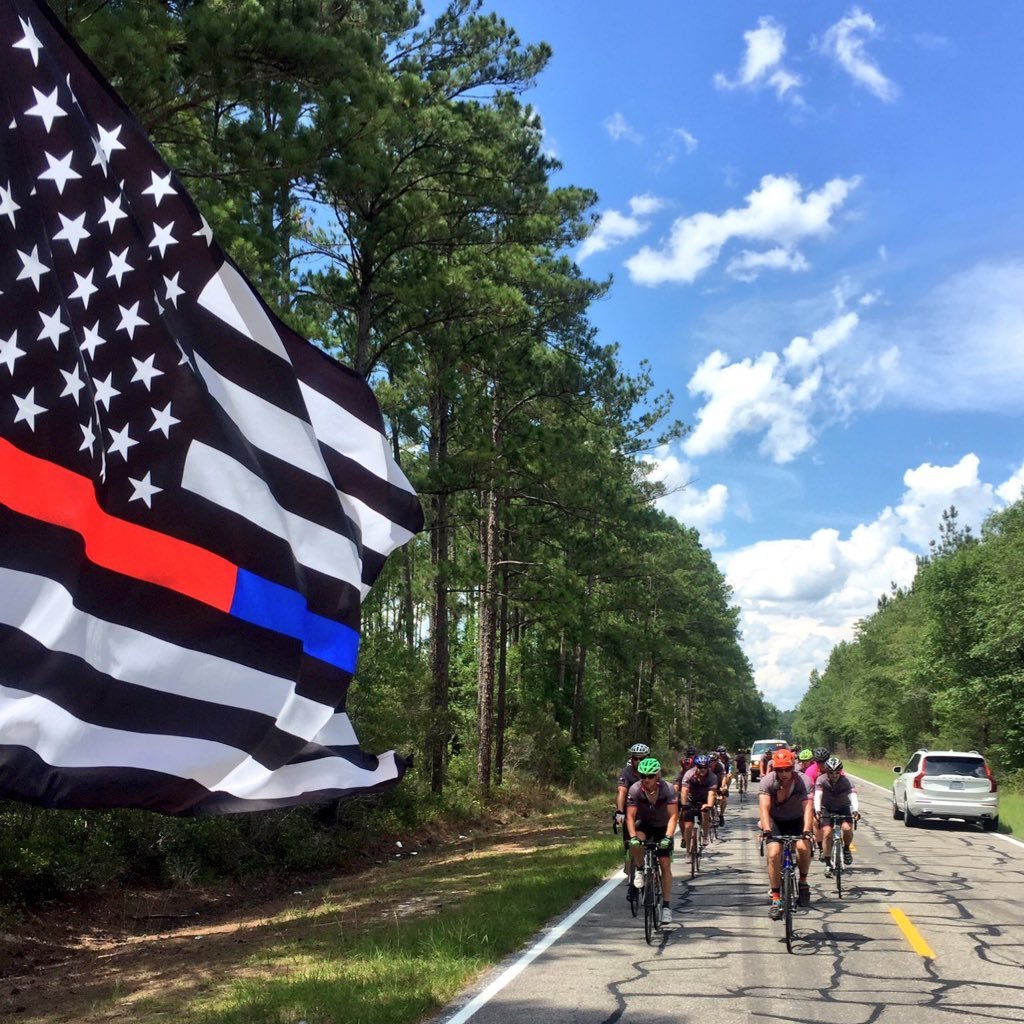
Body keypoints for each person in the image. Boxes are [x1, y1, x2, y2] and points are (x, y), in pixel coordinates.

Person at [758, 747, 815, 919]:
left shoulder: (803, 780)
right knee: (774, 853)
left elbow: (808, 807)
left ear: (793, 767)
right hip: (775, 820)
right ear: (775, 769)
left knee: (804, 848)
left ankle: (803, 883)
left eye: (787, 769)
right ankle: (776, 899)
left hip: (797, 819)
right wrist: (767, 829)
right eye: (780, 770)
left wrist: (807, 830)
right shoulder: (768, 781)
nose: (784, 773)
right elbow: (764, 807)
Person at [626, 757, 679, 924]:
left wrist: (668, 837)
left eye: (650, 776)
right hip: (645, 824)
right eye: (643, 776)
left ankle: (666, 907)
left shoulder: (668, 789)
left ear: (658, 776)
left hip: (663, 826)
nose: (646, 780)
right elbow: (630, 816)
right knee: (635, 841)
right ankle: (640, 870)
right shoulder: (635, 789)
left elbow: (673, 816)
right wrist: (633, 837)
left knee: (664, 864)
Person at [814, 756, 860, 870]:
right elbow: (818, 796)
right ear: (826, 771)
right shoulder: (821, 780)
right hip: (827, 808)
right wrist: (818, 810)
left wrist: (855, 810)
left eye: (837, 772)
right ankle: (828, 863)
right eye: (830, 772)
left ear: (840, 772)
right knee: (827, 833)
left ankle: (846, 849)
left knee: (847, 829)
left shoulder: (847, 781)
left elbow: (853, 796)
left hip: (843, 807)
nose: (834, 775)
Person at [616, 742, 650, 887]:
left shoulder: (652, 770)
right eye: (636, 758)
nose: (638, 761)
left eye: (642, 759)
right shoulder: (626, 772)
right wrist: (619, 812)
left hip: (648, 811)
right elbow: (621, 792)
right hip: (630, 811)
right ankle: (632, 877)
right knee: (630, 844)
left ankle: (652, 866)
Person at [676, 753, 719, 852]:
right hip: (691, 800)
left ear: (708, 767)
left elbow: (711, 793)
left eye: (705, 767)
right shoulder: (689, 774)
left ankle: (705, 836)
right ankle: (687, 850)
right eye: (700, 767)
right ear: (696, 766)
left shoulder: (712, 777)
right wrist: (684, 804)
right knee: (687, 824)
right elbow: (684, 790)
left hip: (704, 799)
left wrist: (709, 805)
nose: (702, 769)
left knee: (705, 812)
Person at [711, 745, 731, 825]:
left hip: (721, 776)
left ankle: (721, 815)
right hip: (710, 781)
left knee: (724, 798)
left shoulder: (723, 762)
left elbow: (724, 776)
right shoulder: (707, 764)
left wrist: (723, 787)